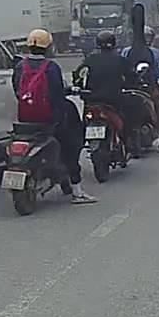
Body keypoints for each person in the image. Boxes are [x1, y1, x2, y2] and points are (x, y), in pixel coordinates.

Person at [13, 29, 96, 204]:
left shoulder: (20, 66)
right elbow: (57, 95)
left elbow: (17, 91)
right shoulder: (51, 67)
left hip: (25, 119)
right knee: (71, 145)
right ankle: (77, 191)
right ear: (48, 47)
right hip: (49, 120)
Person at [74, 30, 147, 152]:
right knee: (132, 112)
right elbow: (132, 78)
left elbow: (78, 76)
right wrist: (137, 83)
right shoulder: (120, 60)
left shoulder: (90, 60)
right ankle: (131, 142)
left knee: (83, 120)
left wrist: (79, 87)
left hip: (92, 100)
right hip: (114, 99)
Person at [122, 25, 159, 152]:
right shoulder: (153, 52)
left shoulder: (127, 51)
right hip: (148, 87)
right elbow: (158, 70)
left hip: (130, 86)